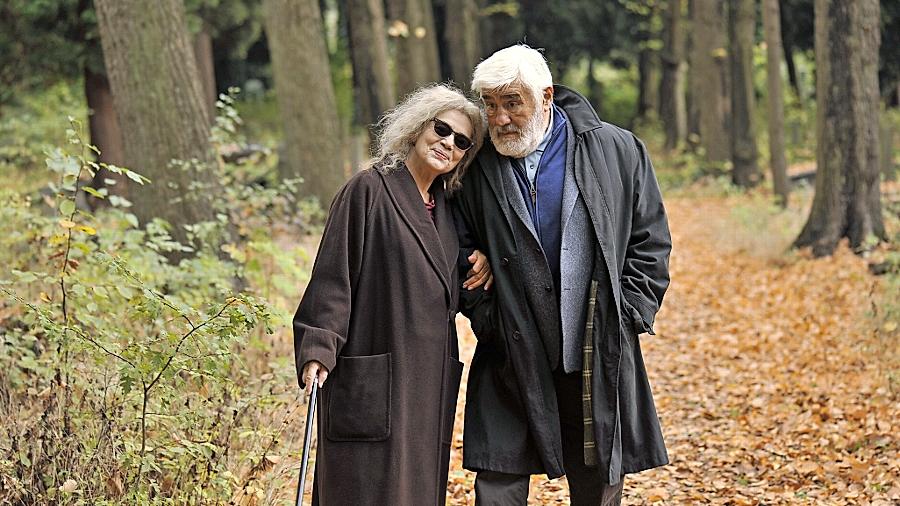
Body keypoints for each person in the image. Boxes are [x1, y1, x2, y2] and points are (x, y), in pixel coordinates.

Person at [452, 45, 672, 505]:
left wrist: (629, 311)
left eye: (513, 102)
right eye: (490, 105)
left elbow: (649, 241)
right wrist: (486, 314)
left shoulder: (616, 149)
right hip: (509, 348)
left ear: (546, 96)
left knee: (596, 485)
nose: (500, 118)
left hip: (592, 349)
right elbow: (457, 245)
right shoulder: (472, 166)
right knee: (497, 485)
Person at [292, 84, 489, 505]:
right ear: (418, 127)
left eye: (461, 142)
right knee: (364, 488)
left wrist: (483, 260)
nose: (448, 144)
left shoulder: (448, 212)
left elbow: (456, 282)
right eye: (442, 129)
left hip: (426, 383)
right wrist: (318, 347)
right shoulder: (367, 190)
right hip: (373, 374)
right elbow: (333, 278)